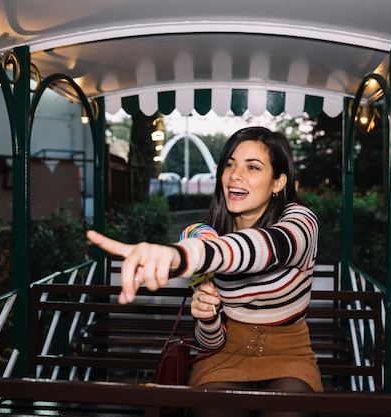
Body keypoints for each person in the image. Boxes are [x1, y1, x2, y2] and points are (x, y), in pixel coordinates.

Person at [87, 126, 321, 416]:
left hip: (289, 357)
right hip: (221, 356)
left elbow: (265, 247)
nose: (236, 175)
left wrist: (179, 255)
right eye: (230, 164)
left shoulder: (300, 221)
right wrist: (207, 317)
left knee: (288, 411)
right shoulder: (203, 234)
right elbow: (210, 341)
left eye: (253, 167)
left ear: (278, 182)